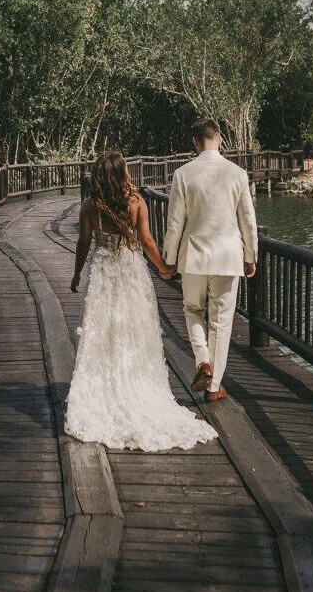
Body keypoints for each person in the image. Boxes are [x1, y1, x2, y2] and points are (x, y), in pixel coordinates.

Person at [65, 150, 218, 451]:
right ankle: (134, 381)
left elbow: (83, 243)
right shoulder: (136, 202)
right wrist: (163, 267)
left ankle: (106, 387)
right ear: (123, 174)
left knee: (104, 330)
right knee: (133, 329)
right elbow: (146, 241)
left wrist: (76, 274)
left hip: (105, 274)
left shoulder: (90, 206)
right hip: (130, 272)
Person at [162, 117, 257, 402]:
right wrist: (251, 256)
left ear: (195, 142)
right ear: (220, 140)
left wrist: (169, 257)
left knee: (192, 309)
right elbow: (248, 221)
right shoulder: (238, 174)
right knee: (221, 321)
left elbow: (175, 222)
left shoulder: (183, 174)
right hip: (228, 257)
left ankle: (203, 361)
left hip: (193, 257)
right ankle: (214, 386)